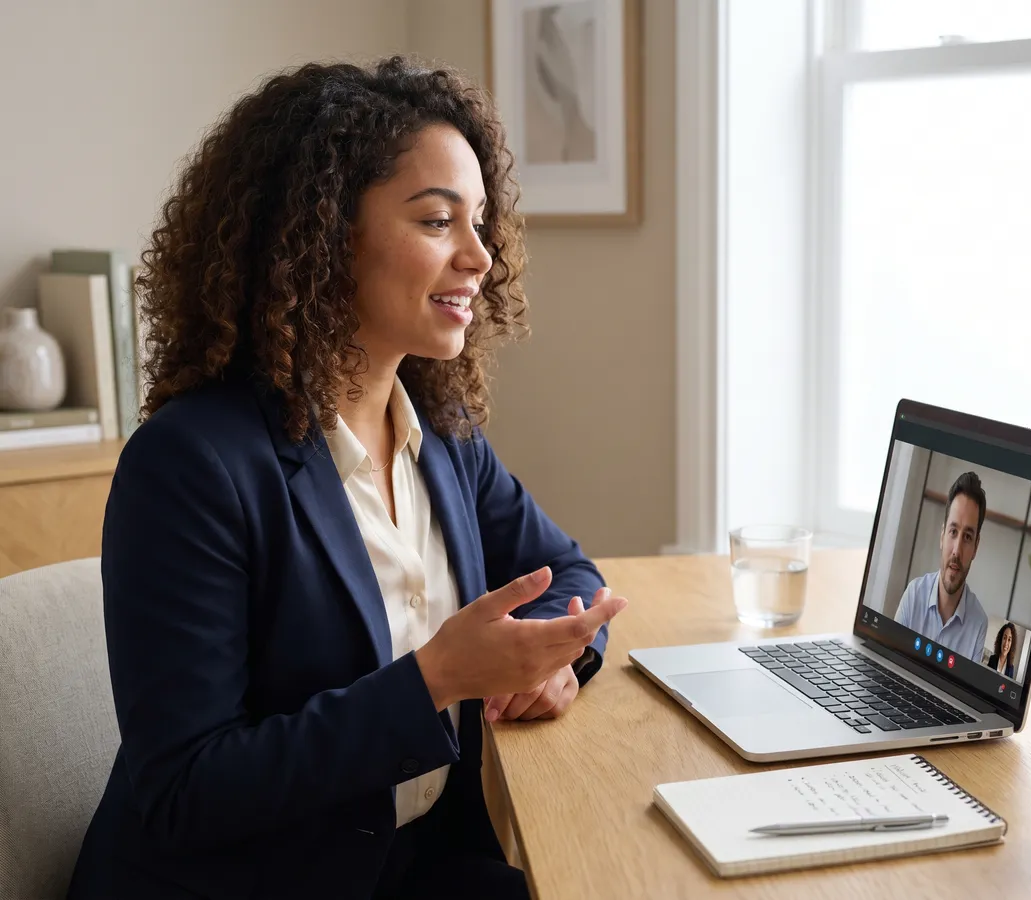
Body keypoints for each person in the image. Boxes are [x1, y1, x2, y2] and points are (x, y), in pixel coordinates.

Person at [66, 56, 628, 900]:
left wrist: (553, 664)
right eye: (439, 221)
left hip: (418, 865)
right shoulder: (191, 465)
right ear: (325, 234)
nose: (481, 256)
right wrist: (436, 678)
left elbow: (569, 576)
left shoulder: (443, 437)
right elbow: (186, 789)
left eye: (480, 222)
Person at [893, 471, 989, 663]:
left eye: (968, 537)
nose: (957, 551)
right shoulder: (913, 595)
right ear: (942, 535)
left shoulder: (979, 624)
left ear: (976, 547)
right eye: (953, 532)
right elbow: (890, 665)